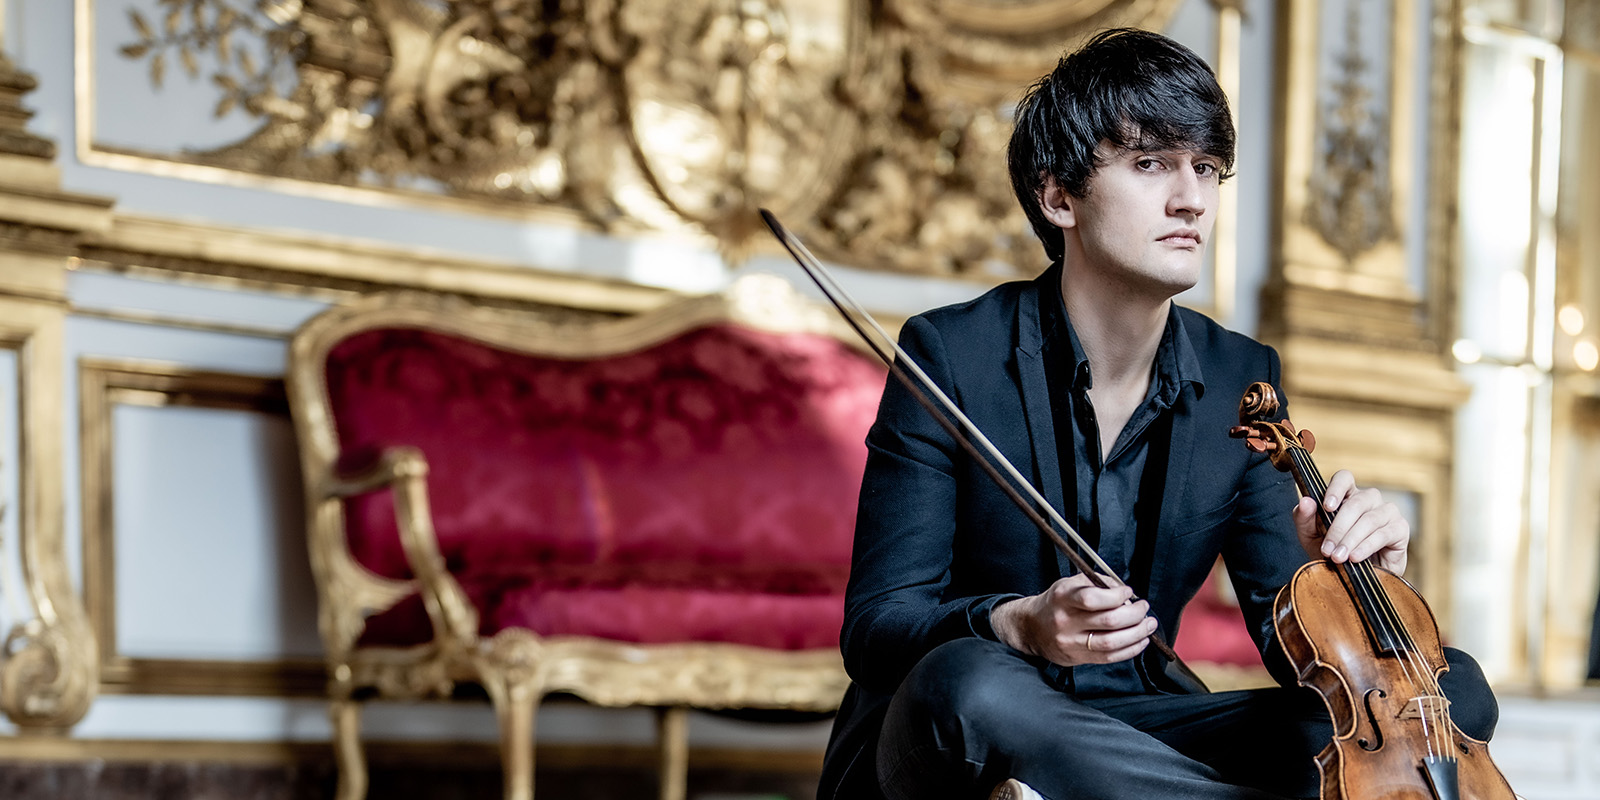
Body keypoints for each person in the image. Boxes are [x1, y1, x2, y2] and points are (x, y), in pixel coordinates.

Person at [816, 28, 1498, 800]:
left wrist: (1351, 579)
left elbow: (1298, 657)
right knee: (967, 683)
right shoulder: (950, 354)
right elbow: (877, 630)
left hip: (1139, 731)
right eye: (1151, 164)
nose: (1193, 199)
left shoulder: (1243, 378)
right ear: (1057, 196)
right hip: (972, 726)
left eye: (1206, 168)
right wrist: (1019, 624)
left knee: (1449, 693)